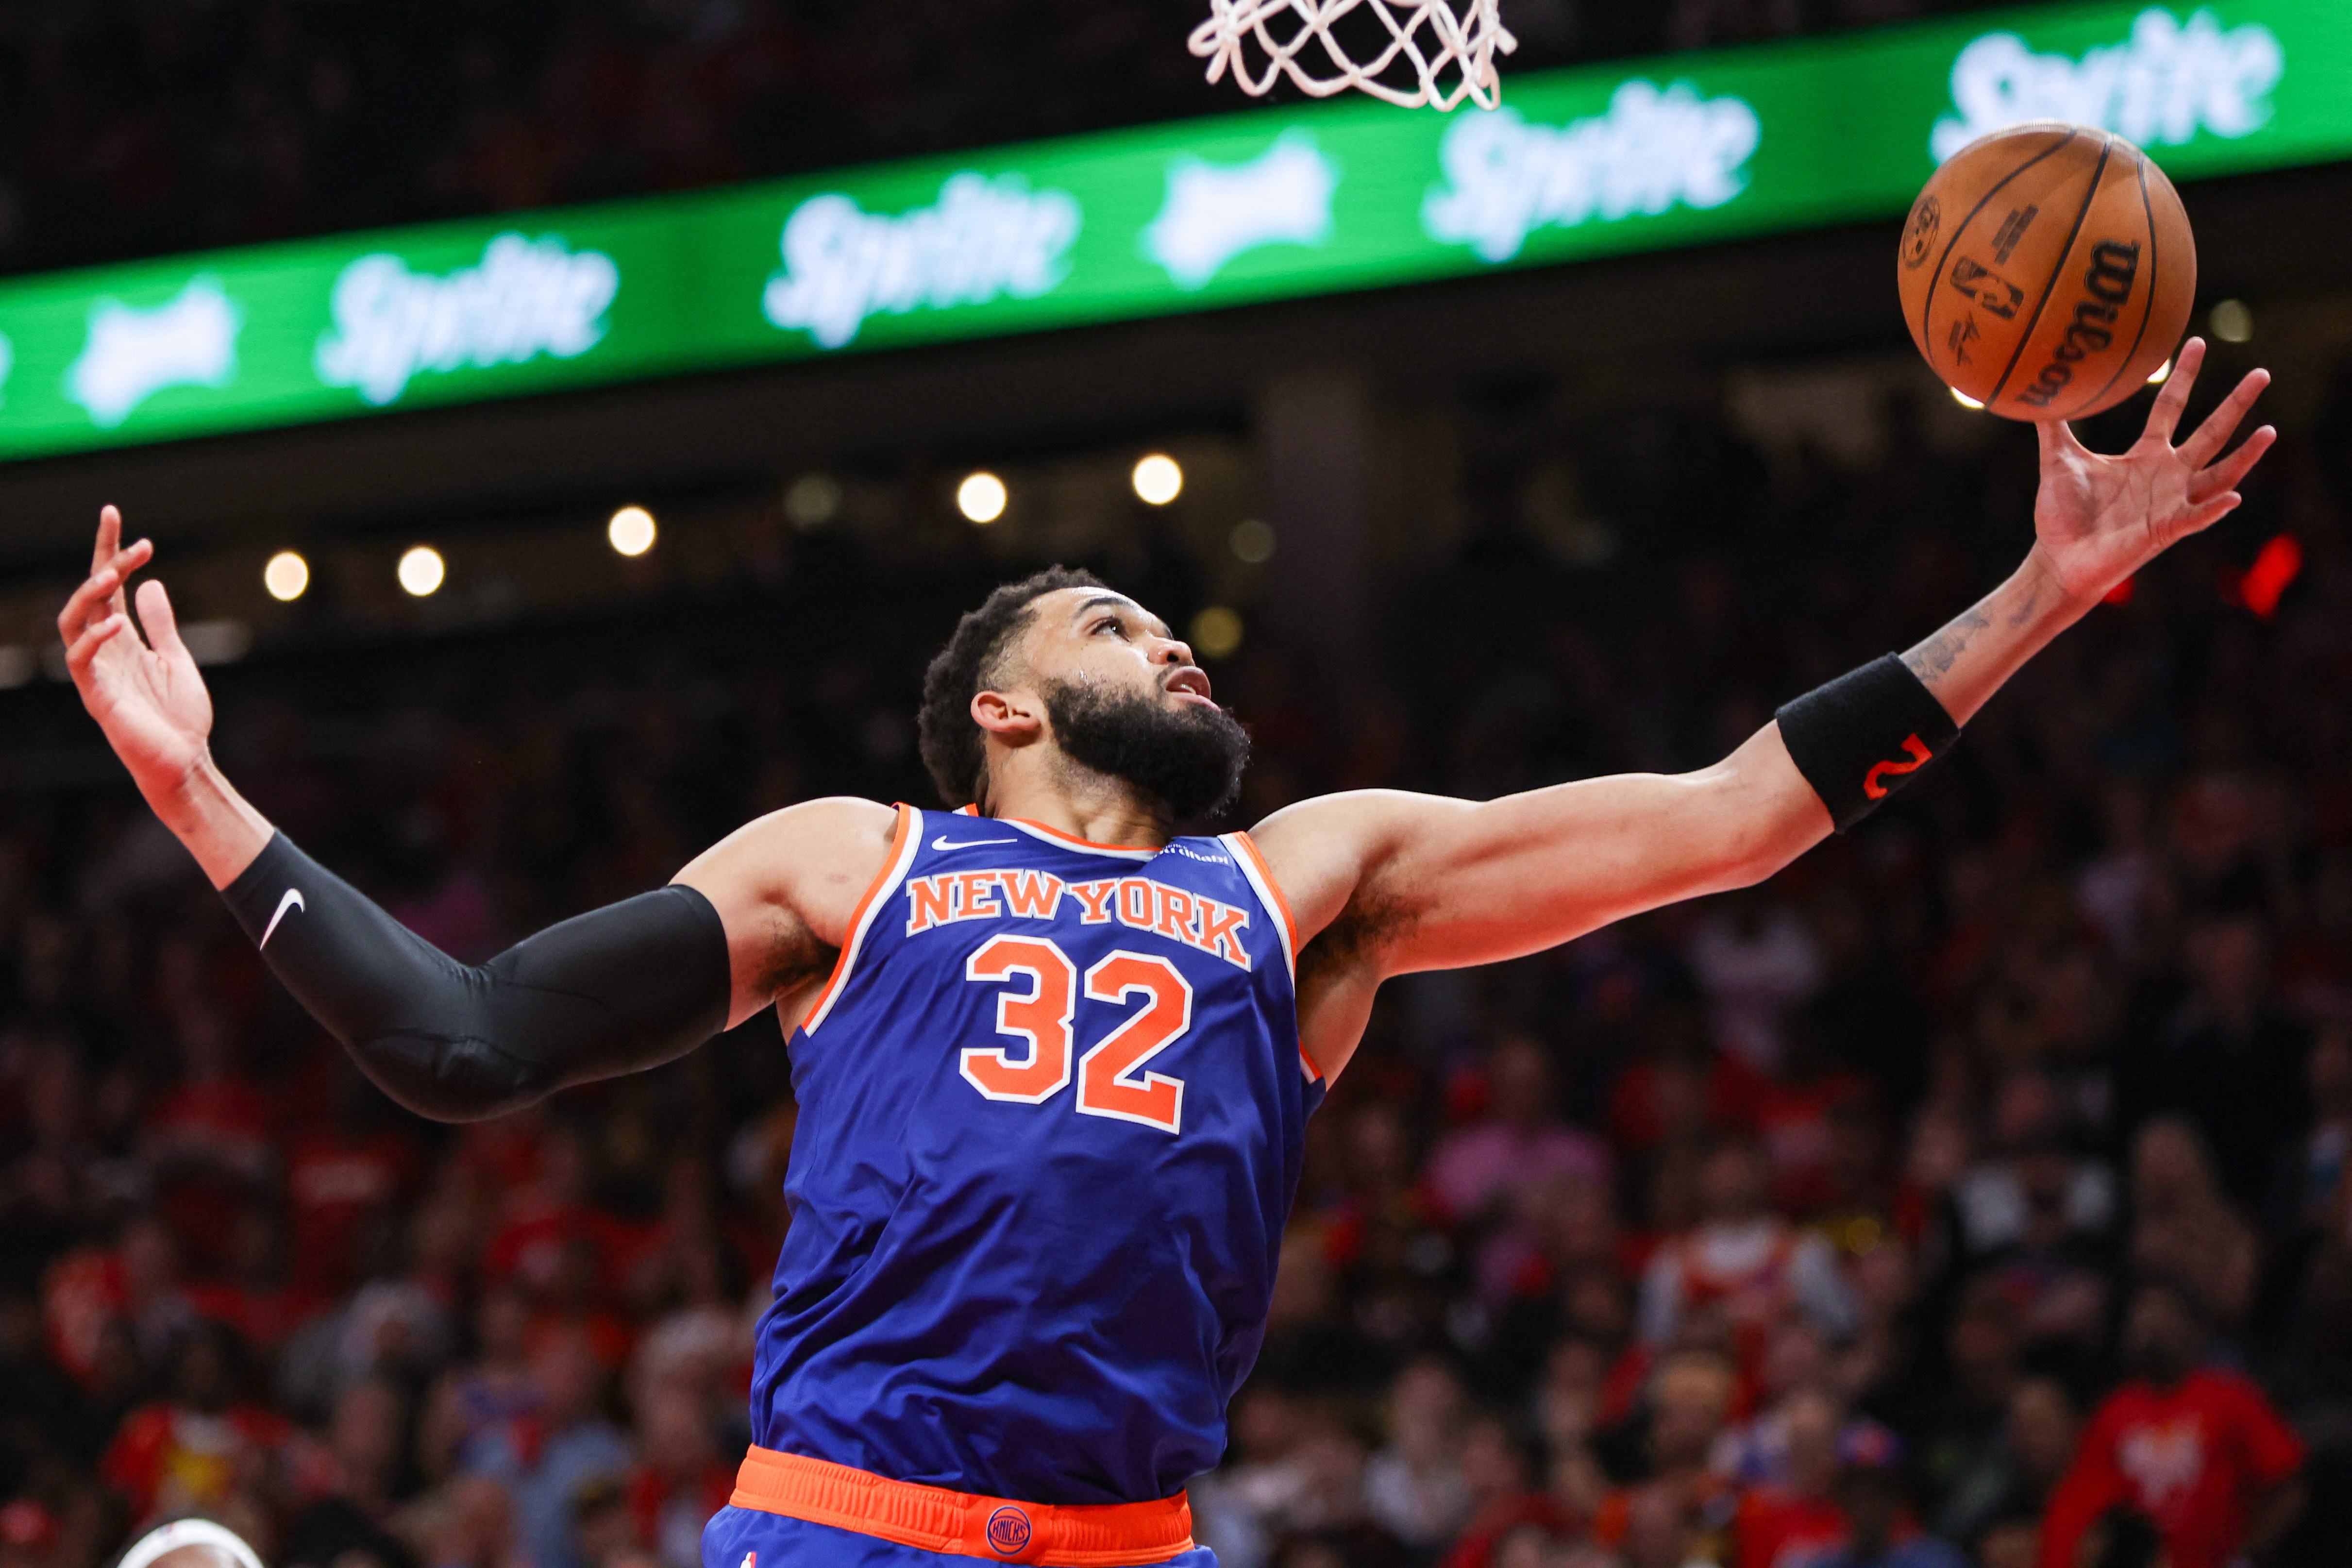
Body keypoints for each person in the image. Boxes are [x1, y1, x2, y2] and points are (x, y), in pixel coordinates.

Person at [56, 345, 2272, 1568]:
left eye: (1164, 614)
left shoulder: (1313, 881)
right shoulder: (862, 858)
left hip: (1134, 1543)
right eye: (1102, 616)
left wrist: (2046, 598)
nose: (1160, 634)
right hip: (855, 1531)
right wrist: (192, 787)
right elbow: (462, 1036)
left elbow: (1733, 820)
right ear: (1004, 705)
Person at [2037, 1278, 2303, 1568]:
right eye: (2141, 1316)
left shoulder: (2231, 1397)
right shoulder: (2115, 1410)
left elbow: (2288, 1484)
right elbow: (2076, 1506)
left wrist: (2244, 1556)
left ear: (2192, 1328)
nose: (2151, 1326)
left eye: (2163, 1314)